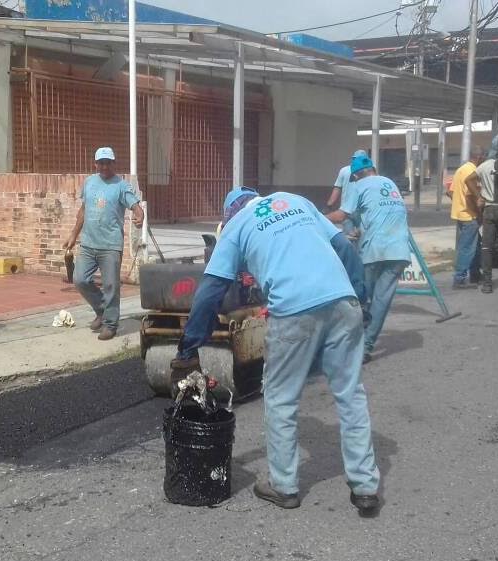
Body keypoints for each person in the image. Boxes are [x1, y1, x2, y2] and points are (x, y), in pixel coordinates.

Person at [171, 188, 381, 515]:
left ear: (230, 214)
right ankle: (365, 486)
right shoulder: (294, 201)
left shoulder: (237, 226)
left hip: (295, 309)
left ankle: (283, 486)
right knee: (350, 394)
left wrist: (187, 348)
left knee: (281, 398)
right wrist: (360, 297)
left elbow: (210, 291)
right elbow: (344, 248)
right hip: (343, 301)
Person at [326, 155, 410, 363]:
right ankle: (366, 347)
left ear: (355, 175)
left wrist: (316, 217)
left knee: (359, 298)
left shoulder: (359, 185)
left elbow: (342, 215)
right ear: (373, 168)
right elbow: (377, 210)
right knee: (381, 301)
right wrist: (359, 224)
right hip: (399, 251)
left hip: (375, 249)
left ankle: (345, 345)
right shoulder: (389, 183)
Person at [63, 147, 143, 340]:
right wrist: (73, 235)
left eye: (108, 162)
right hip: (89, 243)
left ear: (114, 163)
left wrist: (139, 216)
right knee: (80, 279)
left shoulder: (121, 186)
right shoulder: (89, 182)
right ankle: (102, 310)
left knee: (111, 286)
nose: (104, 166)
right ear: (96, 164)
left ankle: (110, 324)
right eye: (101, 163)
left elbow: (136, 207)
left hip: (110, 245)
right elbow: (83, 210)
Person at [465, 139, 498, 294]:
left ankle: (487, 283)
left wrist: (479, 196)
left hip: (489, 209)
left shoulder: (483, 166)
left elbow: (468, 179)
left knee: (487, 247)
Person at [448, 147, 485, 289]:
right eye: (483, 158)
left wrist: (459, 203)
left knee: (475, 246)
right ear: (479, 158)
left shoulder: (460, 170)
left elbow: (449, 192)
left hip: (460, 214)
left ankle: (475, 274)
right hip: (470, 216)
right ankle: (459, 278)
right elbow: (471, 196)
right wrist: (479, 213)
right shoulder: (471, 172)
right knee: (467, 247)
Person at [325, 149, 369, 244]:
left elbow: (337, 189)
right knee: (363, 240)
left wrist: (329, 205)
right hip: (363, 213)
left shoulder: (344, 170)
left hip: (346, 213)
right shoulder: (370, 172)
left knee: (349, 241)